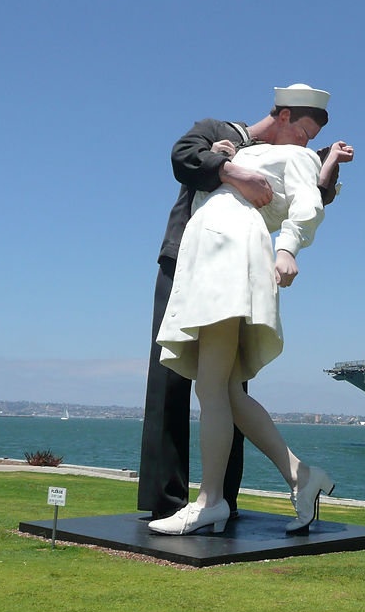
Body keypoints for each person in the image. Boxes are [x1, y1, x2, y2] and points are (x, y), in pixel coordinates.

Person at [137, 83, 347, 523]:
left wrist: (288, 246)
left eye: (314, 138)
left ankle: (211, 501)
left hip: (226, 251)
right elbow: (185, 158)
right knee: (224, 389)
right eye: (305, 131)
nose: (308, 141)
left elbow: (311, 199)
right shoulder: (226, 137)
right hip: (200, 253)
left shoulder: (298, 157)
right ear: (285, 116)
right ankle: (299, 476)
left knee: (211, 386)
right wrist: (226, 159)